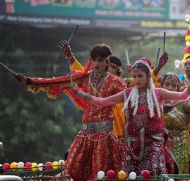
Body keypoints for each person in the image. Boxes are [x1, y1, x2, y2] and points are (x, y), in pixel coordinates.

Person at [70, 59, 190, 175]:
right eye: (135, 76)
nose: (137, 79)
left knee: (154, 174)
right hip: (132, 143)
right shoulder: (127, 93)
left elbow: (183, 96)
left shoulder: (158, 93)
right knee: (129, 175)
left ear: (148, 77)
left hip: (153, 142)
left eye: (140, 76)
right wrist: (80, 94)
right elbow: (102, 102)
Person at [16, 43, 126, 181]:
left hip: (105, 137)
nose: (96, 63)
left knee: (101, 176)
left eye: (100, 60)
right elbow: (57, 81)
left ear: (106, 62)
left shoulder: (115, 82)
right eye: (94, 60)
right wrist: (29, 80)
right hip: (85, 135)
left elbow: (131, 97)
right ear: (90, 61)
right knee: (70, 172)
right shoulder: (85, 78)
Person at [160, 72, 190, 174]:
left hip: (180, 144)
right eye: (167, 84)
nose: (170, 88)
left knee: (178, 173)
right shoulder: (156, 101)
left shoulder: (184, 102)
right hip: (160, 144)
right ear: (161, 86)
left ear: (178, 89)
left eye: (174, 86)